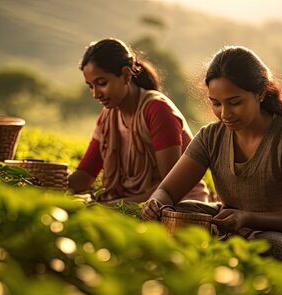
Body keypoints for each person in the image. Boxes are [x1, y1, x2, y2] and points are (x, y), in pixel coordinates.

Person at [141, 45, 282, 263]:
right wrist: (156, 202)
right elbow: (167, 190)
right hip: (234, 224)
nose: (225, 114)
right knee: (173, 215)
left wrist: (247, 218)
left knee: (269, 249)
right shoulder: (211, 137)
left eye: (235, 102)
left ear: (260, 93)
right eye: (216, 104)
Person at [68, 38, 209, 203]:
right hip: (132, 203)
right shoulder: (107, 117)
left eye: (102, 83)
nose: (95, 93)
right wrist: (43, 180)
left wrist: (113, 205)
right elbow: (85, 176)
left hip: (177, 207)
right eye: (91, 86)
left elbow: (171, 188)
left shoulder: (157, 110)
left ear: (126, 75)